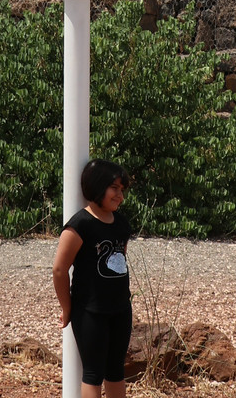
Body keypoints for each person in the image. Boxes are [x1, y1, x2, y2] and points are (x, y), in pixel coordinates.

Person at [53, 160, 133, 398]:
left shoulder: (121, 223)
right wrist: (67, 308)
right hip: (89, 310)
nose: (120, 195)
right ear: (97, 187)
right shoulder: (80, 225)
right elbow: (59, 270)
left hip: (120, 308)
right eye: (114, 188)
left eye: (122, 190)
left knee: (116, 370)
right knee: (93, 373)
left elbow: (121, 259)